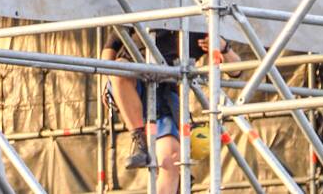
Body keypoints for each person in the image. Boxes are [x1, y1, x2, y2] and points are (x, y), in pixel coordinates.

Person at [102, 28, 240, 194]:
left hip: (164, 92)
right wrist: (105, 78)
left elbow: (236, 70)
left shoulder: (196, 25)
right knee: (120, 70)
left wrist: (223, 47)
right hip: (132, 82)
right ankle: (139, 140)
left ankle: (173, 184)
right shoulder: (145, 7)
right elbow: (111, 44)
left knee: (171, 158)